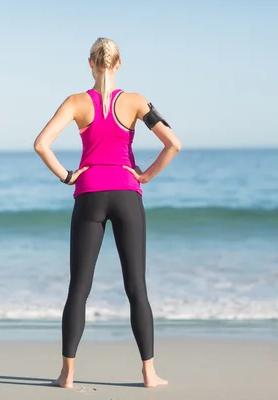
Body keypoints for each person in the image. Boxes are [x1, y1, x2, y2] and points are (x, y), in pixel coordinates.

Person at [33, 37, 181, 389]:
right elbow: (173, 143)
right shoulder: (136, 102)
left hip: (89, 195)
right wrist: (144, 175)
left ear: (90, 63)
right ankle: (149, 374)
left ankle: (67, 375)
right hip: (127, 195)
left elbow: (41, 144)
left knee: (78, 289)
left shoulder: (75, 103)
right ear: (119, 64)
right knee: (136, 289)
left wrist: (67, 175)